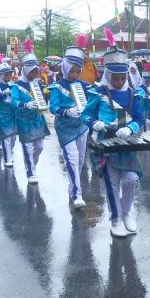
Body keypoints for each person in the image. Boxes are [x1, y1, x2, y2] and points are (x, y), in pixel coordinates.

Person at [82, 45, 145, 238]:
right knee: (112, 183)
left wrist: (130, 128)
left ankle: (126, 212)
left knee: (131, 179)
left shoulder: (133, 93)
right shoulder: (98, 92)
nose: (118, 82)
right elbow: (85, 115)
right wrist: (95, 124)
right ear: (108, 75)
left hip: (127, 144)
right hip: (105, 144)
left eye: (122, 78)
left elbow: (139, 119)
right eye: (114, 78)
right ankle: (115, 218)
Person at [48, 38, 90, 209]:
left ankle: (73, 186)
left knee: (80, 160)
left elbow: (92, 103)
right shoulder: (56, 87)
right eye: (71, 71)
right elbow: (53, 108)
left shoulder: (85, 86)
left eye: (77, 71)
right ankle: (77, 194)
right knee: (72, 159)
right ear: (65, 69)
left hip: (81, 126)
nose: (74, 74)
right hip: (64, 127)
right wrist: (66, 111)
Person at [11, 42, 51, 184]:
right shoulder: (17, 86)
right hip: (24, 121)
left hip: (37, 119)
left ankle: (31, 165)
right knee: (27, 146)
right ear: (26, 70)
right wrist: (26, 104)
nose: (35, 74)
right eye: (32, 71)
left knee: (39, 147)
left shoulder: (38, 83)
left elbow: (42, 98)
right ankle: (30, 172)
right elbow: (14, 102)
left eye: (36, 71)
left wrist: (43, 103)